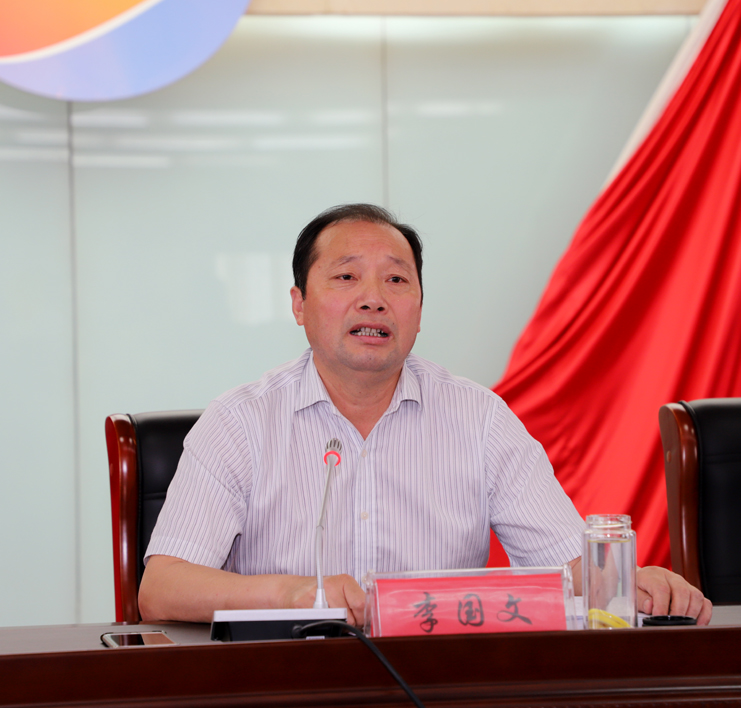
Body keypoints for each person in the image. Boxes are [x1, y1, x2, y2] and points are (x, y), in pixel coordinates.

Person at [139, 204, 712, 626]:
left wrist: (630, 582)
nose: (374, 298)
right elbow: (161, 589)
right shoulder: (240, 423)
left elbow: (568, 569)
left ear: (418, 309)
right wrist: (294, 595)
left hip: (436, 686)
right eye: (346, 277)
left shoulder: (479, 419)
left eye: (396, 279)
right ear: (299, 305)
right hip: (285, 683)